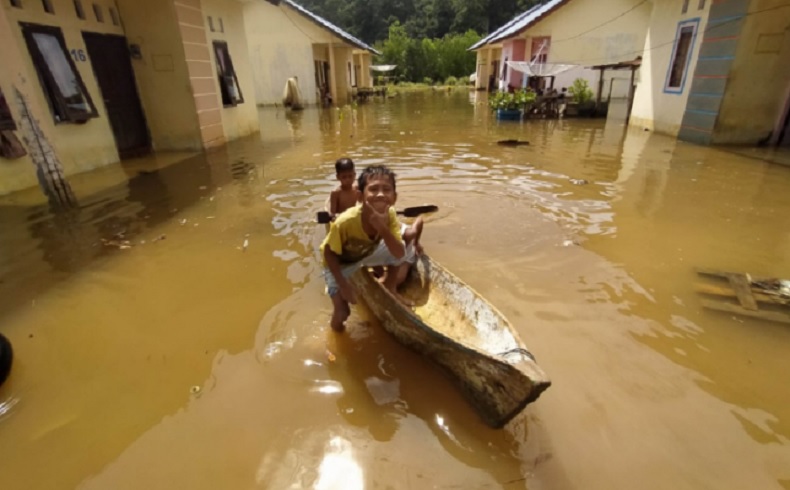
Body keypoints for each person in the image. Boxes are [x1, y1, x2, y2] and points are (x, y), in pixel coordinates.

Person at [321, 165, 420, 332]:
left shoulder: (390, 214)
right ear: (360, 196)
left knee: (402, 249)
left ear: (394, 197)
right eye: (373, 189)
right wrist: (344, 285)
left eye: (386, 189)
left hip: (365, 253)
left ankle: (390, 288)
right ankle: (335, 336)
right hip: (341, 262)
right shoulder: (346, 221)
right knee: (343, 312)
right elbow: (328, 253)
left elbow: (398, 254)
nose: (380, 194)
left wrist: (382, 227)